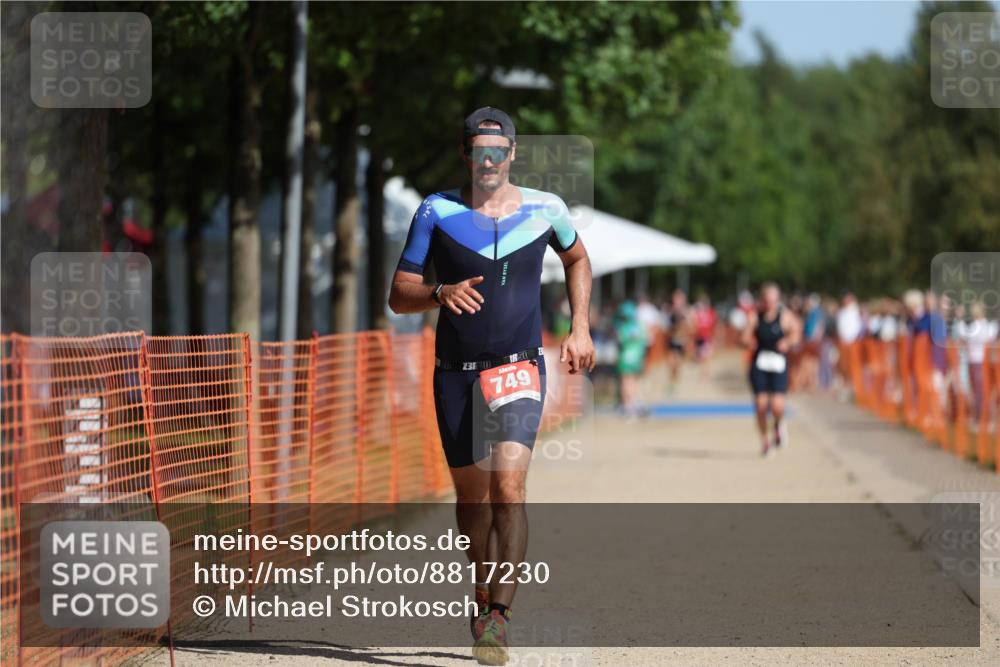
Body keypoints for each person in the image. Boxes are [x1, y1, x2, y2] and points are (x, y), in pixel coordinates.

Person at [388, 106, 594, 666]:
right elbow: (399, 292)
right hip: (454, 373)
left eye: (497, 152)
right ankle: (481, 595)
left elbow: (577, 259)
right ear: (465, 154)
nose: (488, 161)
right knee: (472, 499)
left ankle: (499, 617)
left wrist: (579, 327)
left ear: (512, 155)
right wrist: (437, 293)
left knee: (508, 490)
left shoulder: (545, 209)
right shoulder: (436, 211)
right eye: (478, 151)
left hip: (517, 368)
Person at [741, 282, 801, 456]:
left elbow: (796, 333)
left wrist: (788, 342)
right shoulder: (755, 316)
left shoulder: (785, 316)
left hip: (778, 364)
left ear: (777, 300)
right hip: (759, 363)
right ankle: (765, 442)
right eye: (766, 301)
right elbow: (744, 336)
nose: (769, 304)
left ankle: (778, 424)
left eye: (772, 301)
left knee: (777, 404)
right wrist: (747, 340)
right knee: (760, 404)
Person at [614, 300, 648, 417]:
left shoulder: (623, 328)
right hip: (637, 358)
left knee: (625, 382)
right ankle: (633, 403)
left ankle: (627, 405)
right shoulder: (639, 327)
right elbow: (644, 343)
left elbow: (620, 342)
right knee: (633, 381)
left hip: (625, 358)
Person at [664, 289, 691, 395]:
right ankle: (671, 383)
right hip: (671, 341)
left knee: (677, 365)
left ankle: (674, 383)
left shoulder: (686, 313)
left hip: (680, 342)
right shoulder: (670, 312)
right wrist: (674, 329)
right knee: (671, 363)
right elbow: (667, 329)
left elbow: (690, 328)